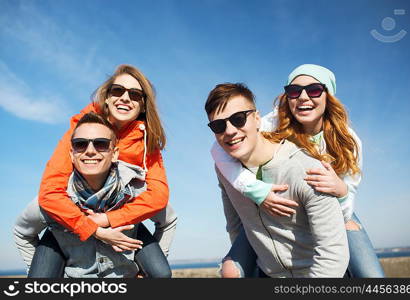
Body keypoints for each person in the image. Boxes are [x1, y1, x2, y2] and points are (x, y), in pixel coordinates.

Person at [211, 64, 384, 278]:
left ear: (328, 96)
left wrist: (342, 191)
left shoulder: (349, 142)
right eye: (294, 91)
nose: (302, 97)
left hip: (336, 206)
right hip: (272, 203)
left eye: (313, 90)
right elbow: (220, 150)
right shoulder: (271, 123)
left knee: (372, 276)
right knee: (231, 271)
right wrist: (256, 190)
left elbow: (345, 205)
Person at [14, 64, 175, 277]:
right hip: (73, 215)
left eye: (135, 94)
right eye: (117, 90)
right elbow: (50, 191)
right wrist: (92, 229)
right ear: (106, 97)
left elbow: (159, 196)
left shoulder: (147, 140)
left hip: (120, 210)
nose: (125, 98)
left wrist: (107, 219)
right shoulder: (81, 129)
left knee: (161, 273)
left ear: (143, 105)